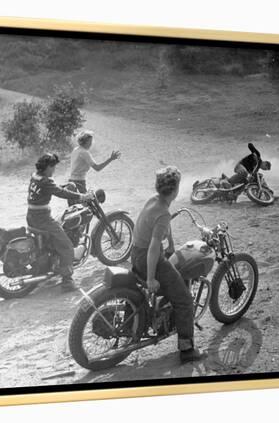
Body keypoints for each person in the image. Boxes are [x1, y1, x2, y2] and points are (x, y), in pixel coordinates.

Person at [131, 166, 203, 363]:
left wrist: (171, 243)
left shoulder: (155, 201)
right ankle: (187, 350)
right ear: (175, 190)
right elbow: (154, 246)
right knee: (185, 300)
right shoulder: (162, 213)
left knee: (173, 282)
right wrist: (151, 278)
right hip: (148, 258)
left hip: (136, 253)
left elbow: (163, 226)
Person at [27, 153, 94, 291]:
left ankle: (52, 265)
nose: (54, 170)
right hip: (43, 219)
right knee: (67, 246)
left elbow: (54, 189)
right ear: (48, 167)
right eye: (53, 167)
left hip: (31, 217)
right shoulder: (46, 181)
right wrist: (82, 196)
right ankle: (67, 281)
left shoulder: (35, 176)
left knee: (57, 233)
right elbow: (60, 193)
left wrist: (64, 187)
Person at [67, 130, 120, 204]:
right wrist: (111, 159)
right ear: (86, 142)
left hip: (71, 182)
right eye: (90, 142)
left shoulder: (76, 150)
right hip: (79, 183)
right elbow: (97, 168)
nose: (91, 144)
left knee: (75, 208)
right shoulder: (84, 152)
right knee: (87, 207)